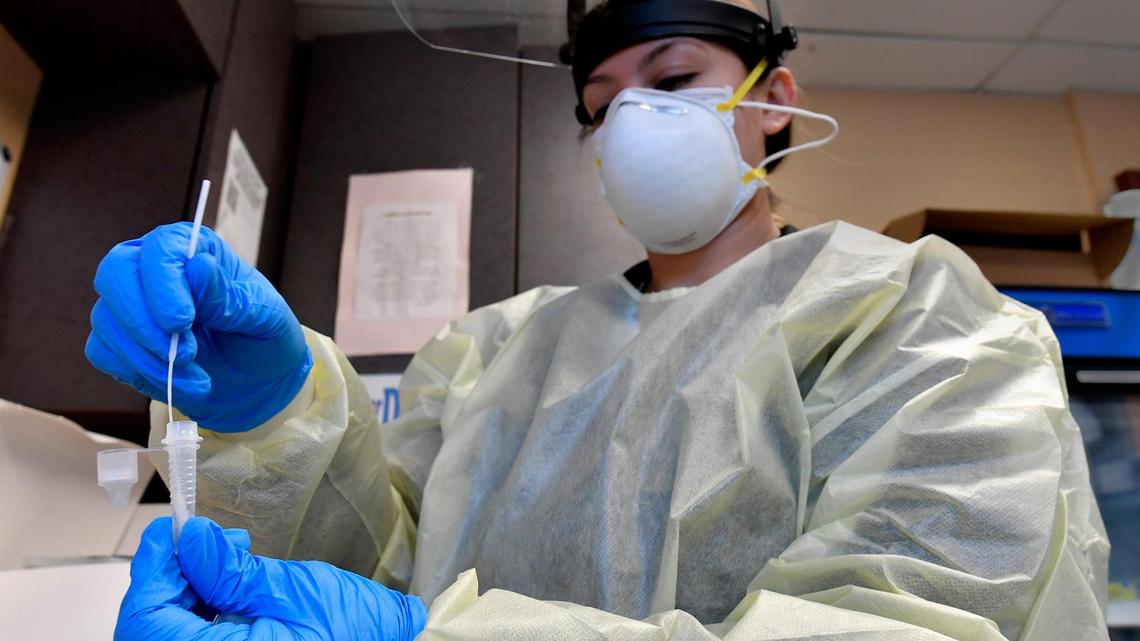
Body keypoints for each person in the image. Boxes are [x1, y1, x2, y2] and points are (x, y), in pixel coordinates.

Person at [87, 1, 1110, 639]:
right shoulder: (494, 349)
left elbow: (932, 622)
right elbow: (367, 570)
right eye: (601, 102)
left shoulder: (917, 322)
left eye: (671, 83)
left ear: (775, 101)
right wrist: (279, 419)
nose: (631, 125)